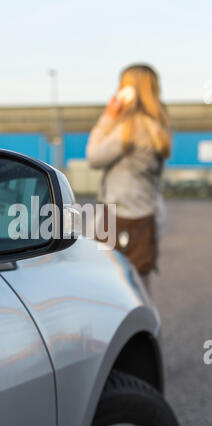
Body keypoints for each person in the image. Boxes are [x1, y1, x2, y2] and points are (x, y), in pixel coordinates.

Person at [87, 64, 171, 291]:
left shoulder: (130, 127)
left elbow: (94, 157)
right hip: (146, 216)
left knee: (112, 288)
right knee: (141, 287)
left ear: (130, 90)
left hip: (118, 217)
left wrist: (107, 117)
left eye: (122, 84)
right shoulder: (158, 126)